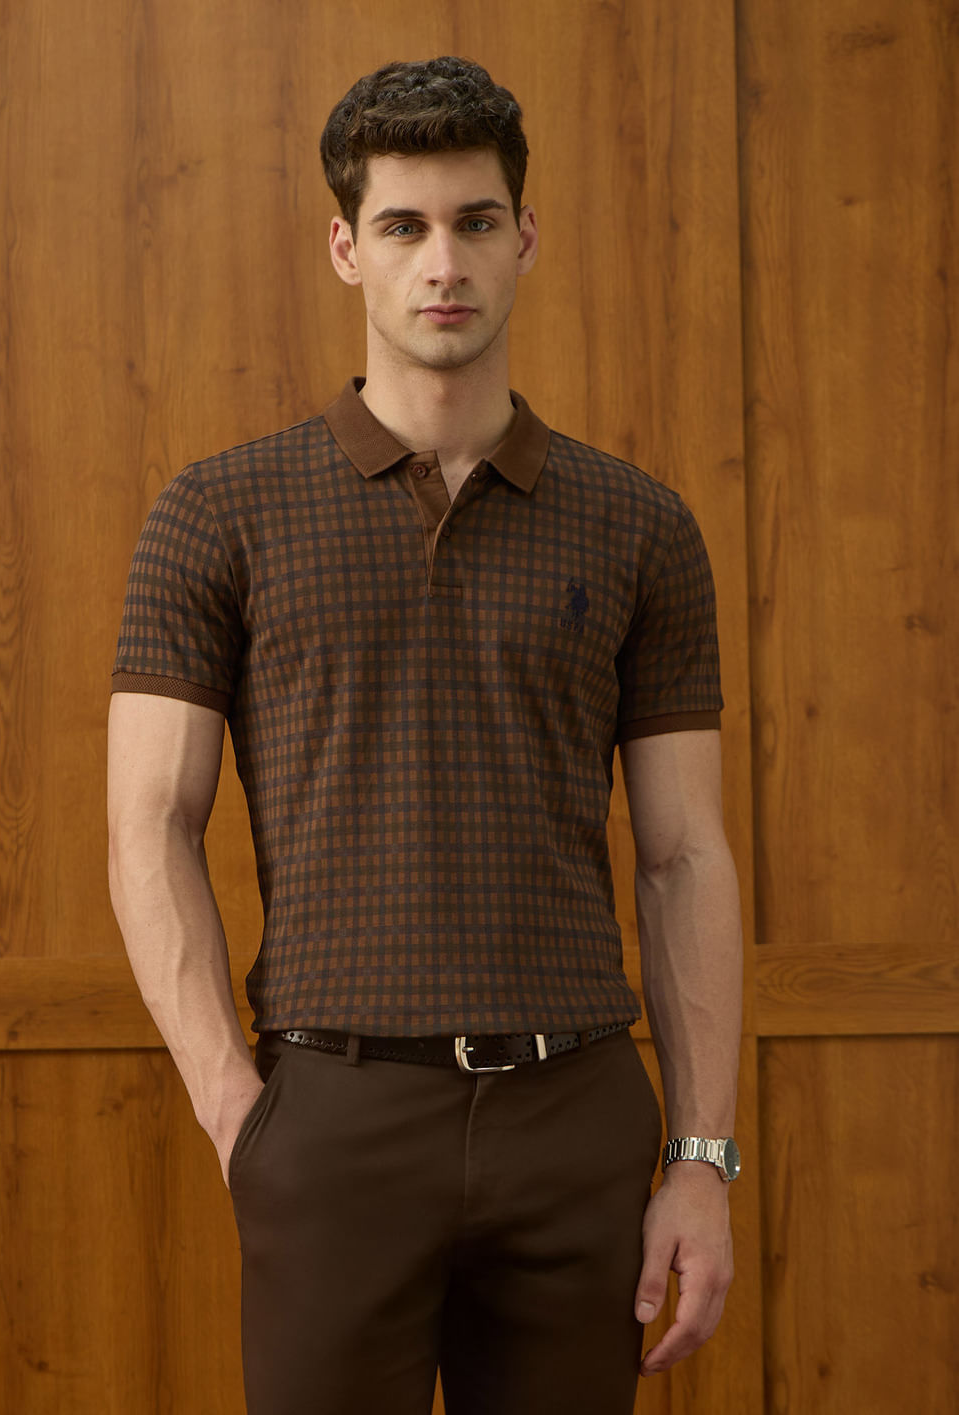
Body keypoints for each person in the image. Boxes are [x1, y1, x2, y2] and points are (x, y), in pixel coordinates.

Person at [107, 55, 743, 1415]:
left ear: (525, 237)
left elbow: (685, 854)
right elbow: (147, 825)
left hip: (574, 1113)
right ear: (348, 247)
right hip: (331, 1115)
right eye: (402, 225)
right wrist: (235, 1108)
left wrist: (702, 1158)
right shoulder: (217, 515)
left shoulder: (640, 526)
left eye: (473, 221)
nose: (441, 262)